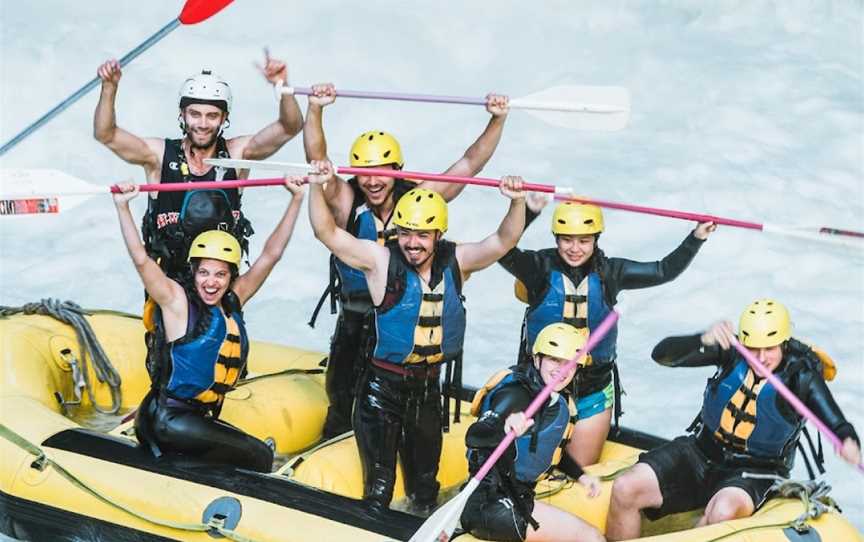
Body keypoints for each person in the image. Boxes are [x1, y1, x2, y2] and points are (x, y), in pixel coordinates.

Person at [307, 159, 526, 513]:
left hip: (426, 391)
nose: (412, 243)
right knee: (379, 488)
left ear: (438, 235)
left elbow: (503, 240)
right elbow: (327, 233)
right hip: (381, 391)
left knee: (425, 488)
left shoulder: (459, 261)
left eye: (422, 235)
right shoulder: (379, 261)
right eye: (405, 233)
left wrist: (516, 202)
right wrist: (316, 186)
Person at [303, 82, 510, 438]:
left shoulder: (418, 199)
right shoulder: (344, 197)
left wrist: (497, 120)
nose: (372, 180)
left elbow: (469, 163)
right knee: (341, 394)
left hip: (402, 320)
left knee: (396, 403)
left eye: (382, 170)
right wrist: (316, 109)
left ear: (398, 169)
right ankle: (331, 447)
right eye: (364, 172)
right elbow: (316, 160)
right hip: (357, 313)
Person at [606, 299, 861, 540]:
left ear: (784, 343)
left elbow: (836, 422)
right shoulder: (731, 352)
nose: (761, 358)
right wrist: (701, 338)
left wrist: (847, 441)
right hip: (700, 451)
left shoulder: (801, 376)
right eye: (754, 348)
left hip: (757, 470)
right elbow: (662, 355)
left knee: (721, 514)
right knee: (625, 488)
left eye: (769, 349)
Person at [499, 198, 716, 466]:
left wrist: (696, 237)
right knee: (525, 463)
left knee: (579, 469)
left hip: (592, 387)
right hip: (537, 386)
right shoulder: (538, 268)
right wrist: (529, 211)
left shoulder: (611, 272)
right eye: (567, 240)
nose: (575, 249)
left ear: (596, 239)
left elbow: (663, 270)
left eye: (584, 241)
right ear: (556, 238)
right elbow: (502, 249)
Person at [112, 175, 306, 473]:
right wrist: (122, 206)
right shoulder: (177, 302)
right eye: (204, 273)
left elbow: (271, 255)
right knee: (260, 457)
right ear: (194, 272)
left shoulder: (232, 300)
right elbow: (141, 260)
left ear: (231, 277)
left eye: (220, 275)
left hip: (191, 419)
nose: (211, 283)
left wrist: (296, 199)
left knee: (242, 444)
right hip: (169, 420)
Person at [95, 52, 303, 278]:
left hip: (218, 285)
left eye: (212, 116)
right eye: (195, 114)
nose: (202, 124)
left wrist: (283, 86)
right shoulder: (158, 156)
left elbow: (289, 127)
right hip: (167, 288)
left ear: (224, 118)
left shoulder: (238, 154)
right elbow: (106, 134)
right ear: (182, 114)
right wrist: (109, 88)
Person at [461, 322, 604, 542]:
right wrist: (504, 422)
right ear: (537, 359)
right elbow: (477, 434)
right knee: (590, 538)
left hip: (514, 496)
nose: (561, 369)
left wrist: (581, 476)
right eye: (554, 359)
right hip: (489, 504)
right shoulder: (517, 391)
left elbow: (545, 452)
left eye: (569, 363)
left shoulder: (556, 399)